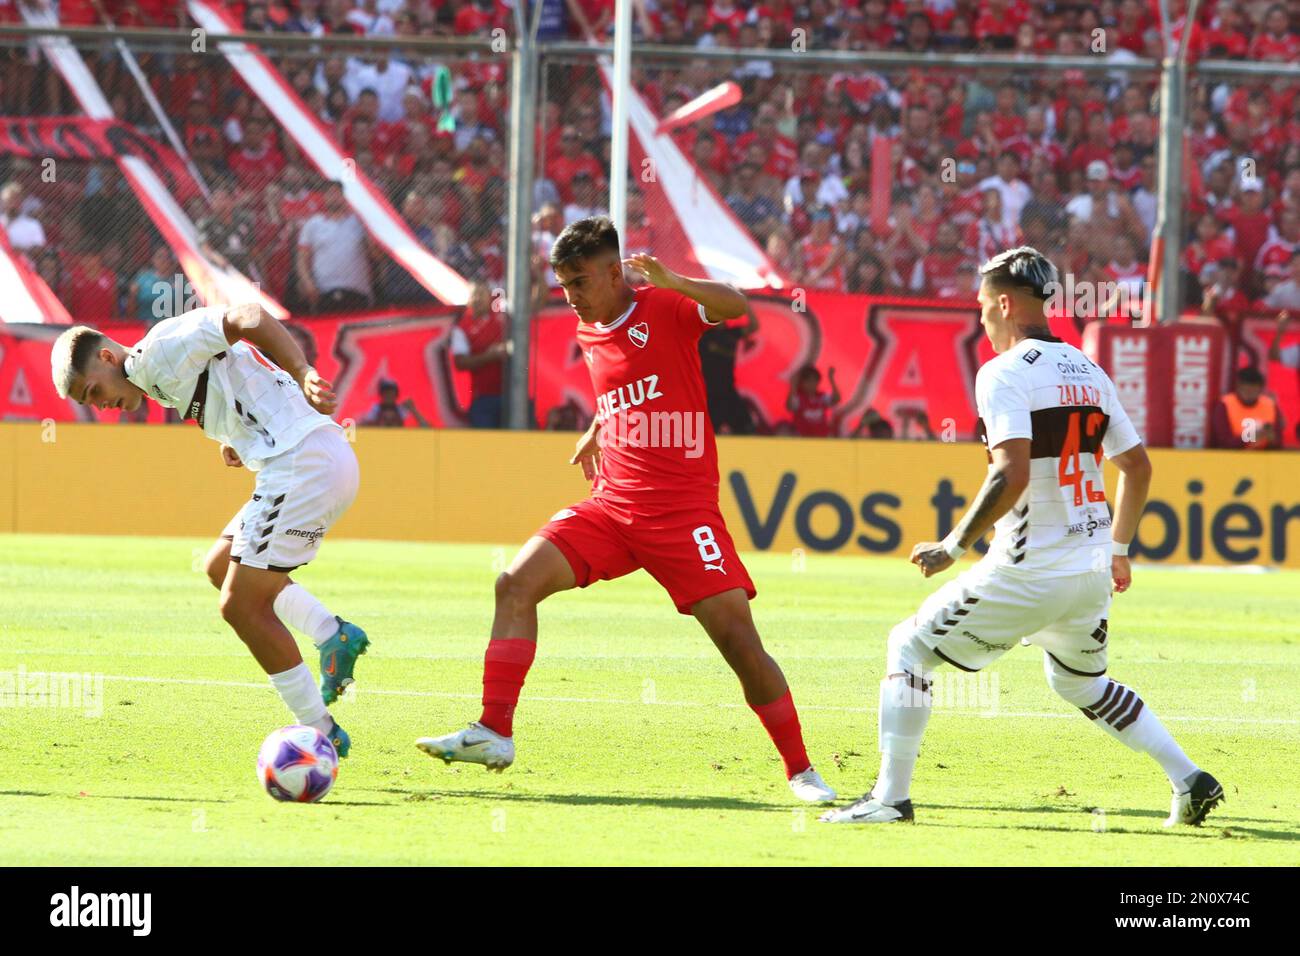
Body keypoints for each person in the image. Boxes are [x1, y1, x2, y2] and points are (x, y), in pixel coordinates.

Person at [416, 216, 836, 804]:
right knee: (513, 584)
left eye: (580, 282)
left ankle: (802, 771)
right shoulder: (589, 329)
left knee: (739, 642)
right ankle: (494, 730)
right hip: (611, 508)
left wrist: (677, 280)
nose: (571, 297)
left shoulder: (664, 306)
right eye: (563, 285)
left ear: (615, 273)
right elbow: (629, 388)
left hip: (683, 515)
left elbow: (737, 306)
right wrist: (598, 427)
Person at [821, 246, 1221, 827]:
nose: (980, 318)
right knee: (1082, 684)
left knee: (908, 648)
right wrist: (1119, 551)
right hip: (1088, 574)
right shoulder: (1090, 370)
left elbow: (1009, 472)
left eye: (982, 306)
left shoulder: (1003, 373)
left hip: (1029, 570)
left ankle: (890, 797)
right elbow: (1138, 468)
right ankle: (1190, 779)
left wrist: (953, 546)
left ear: (1005, 303)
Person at [49, 304, 369, 757]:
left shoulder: (158, 351)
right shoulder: (151, 376)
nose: (101, 405)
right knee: (218, 565)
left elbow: (248, 316)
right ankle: (330, 632)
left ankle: (318, 733)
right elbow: (232, 377)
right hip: (306, 459)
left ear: (106, 357)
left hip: (302, 463)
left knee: (240, 606)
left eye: (93, 391)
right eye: (90, 403)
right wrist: (236, 440)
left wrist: (303, 370)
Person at [449, 281, 510, 429]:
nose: (477, 299)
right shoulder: (462, 327)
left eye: (481, 294)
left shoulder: (503, 317)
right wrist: (490, 356)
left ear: (489, 297)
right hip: (483, 398)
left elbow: (536, 303)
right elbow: (460, 363)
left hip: (512, 394)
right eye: (474, 295)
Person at [698, 302, 758, 435]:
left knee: (746, 429)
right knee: (707, 432)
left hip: (728, 390)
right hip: (709, 392)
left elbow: (754, 326)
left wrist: (745, 302)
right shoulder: (703, 335)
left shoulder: (732, 333)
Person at [1211, 365, 1284, 450]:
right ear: (1238, 387)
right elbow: (1224, 442)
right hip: (1232, 457)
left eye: (1253, 390)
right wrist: (1251, 437)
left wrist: (1271, 439)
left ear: (1260, 389)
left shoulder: (1270, 406)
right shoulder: (1225, 405)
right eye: (1245, 389)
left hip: (1264, 458)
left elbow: (1278, 442)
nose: (1248, 394)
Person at [786, 365, 841, 437]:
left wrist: (831, 379)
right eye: (808, 381)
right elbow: (789, 406)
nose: (811, 384)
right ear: (801, 383)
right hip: (803, 438)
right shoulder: (798, 397)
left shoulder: (822, 397)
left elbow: (836, 399)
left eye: (814, 381)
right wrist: (793, 386)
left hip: (822, 437)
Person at [361, 378, 431, 428]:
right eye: (386, 392)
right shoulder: (375, 409)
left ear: (396, 395)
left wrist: (413, 410)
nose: (388, 395)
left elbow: (426, 428)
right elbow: (360, 428)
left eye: (391, 393)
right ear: (381, 394)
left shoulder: (401, 410)